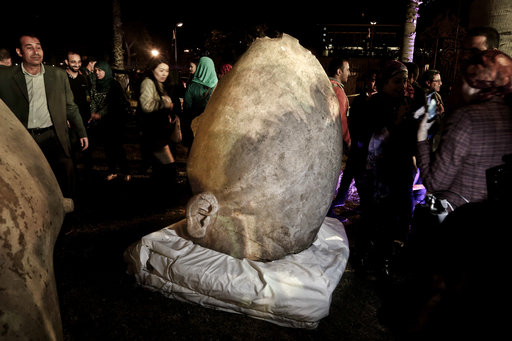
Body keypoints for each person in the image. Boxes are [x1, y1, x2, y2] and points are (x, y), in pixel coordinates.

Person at [416, 49, 512, 216]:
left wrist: (421, 138)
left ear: (476, 82)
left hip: (462, 216)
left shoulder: (467, 118)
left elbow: (435, 183)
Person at [349, 60, 417, 277]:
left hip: (395, 174)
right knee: (370, 214)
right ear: (384, 82)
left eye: (405, 81)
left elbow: (412, 140)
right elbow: (362, 138)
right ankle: (360, 253)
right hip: (371, 173)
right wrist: (394, 123)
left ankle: (383, 258)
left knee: (390, 219)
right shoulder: (370, 105)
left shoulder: (407, 104)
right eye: (397, 81)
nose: (402, 86)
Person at [0, 33, 88, 198]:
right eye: (29, 47)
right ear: (19, 52)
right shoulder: (6, 77)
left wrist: (81, 131)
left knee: (64, 177)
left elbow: (70, 106)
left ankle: (68, 215)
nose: (36, 51)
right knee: (28, 183)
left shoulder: (58, 75)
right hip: (23, 139)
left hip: (52, 136)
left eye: (38, 47)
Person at [331, 69, 376, 208]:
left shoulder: (380, 100)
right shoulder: (360, 98)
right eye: (371, 80)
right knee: (351, 171)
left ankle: (362, 205)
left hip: (370, 145)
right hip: (358, 141)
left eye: (375, 80)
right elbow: (352, 119)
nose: (373, 83)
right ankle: (341, 199)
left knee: (358, 174)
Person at [139, 58, 179, 190]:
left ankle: (159, 194)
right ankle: (168, 194)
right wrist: (165, 103)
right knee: (168, 164)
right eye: (161, 70)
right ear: (152, 70)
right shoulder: (148, 83)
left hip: (159, 131)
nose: (164, 74)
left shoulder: (159, 84)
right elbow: (146, 106)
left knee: (160, 166)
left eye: (167, 71)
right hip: (154, 132)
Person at [89, 61, 131, 182]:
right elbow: (93, 100)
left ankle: (125, 171)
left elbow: (113, 103)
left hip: (115, 120)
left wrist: (99, 114)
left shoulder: (114, 84)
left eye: (100, 70)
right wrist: (93, 113)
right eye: (95, 70)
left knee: (118, 147)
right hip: (103, 123)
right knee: (107, 148)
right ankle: (112, 171)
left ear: (106, 71)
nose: (97, 73)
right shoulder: (95, 84)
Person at [182, 56, 218, 150]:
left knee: (194, 149)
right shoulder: (217, 84)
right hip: (212, 123)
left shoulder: (192, 86)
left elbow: (187, 106)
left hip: (195, 123)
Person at [327, 57, 351, 150]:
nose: (349, 73)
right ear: (339, 72)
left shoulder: (325, 86)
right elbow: (340, 119)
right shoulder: (337, 91)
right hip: (333, 141)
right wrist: (348, 140)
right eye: (347, 70)